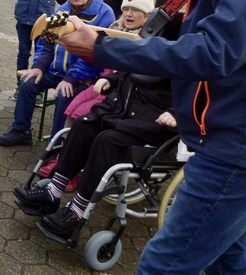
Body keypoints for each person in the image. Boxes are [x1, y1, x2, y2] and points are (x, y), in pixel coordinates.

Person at [56, 0, 246, 274]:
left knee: (162, 265)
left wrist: (102, 47)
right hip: (224, 138)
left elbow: (215, 51)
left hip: (231, 150)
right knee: (228, 262)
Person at [12, 66, 177, 239]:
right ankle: (54, 190)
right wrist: (111, 79)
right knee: (83, 125)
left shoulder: (195, 53)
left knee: (106, 140)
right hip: (124, 110)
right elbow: (133, 68)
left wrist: (175, 113)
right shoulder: (157, 45)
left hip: (154, 124)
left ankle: (77, 210)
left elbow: (201, 97)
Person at [0, 0, 115, 146]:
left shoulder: (105, 14)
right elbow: (46, 42)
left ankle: (57, 144)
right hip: (55, 70)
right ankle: (21, 130)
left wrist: (71, 78)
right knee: (27, 83)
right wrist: (38, 66)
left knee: (63, 95)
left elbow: (97, 54)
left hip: (86, 76)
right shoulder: (62, 9)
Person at [61, 0, 155, 127]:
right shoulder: (115, 29)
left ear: (147, 15)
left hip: (122, 89)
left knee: (83, 114)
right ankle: (63, 142)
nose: (129, 14)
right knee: (73, 106)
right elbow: (102, 60)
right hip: (105, 77)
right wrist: (83, 50)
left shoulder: (148, 40)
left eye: (135, 10)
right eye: (126, 9)